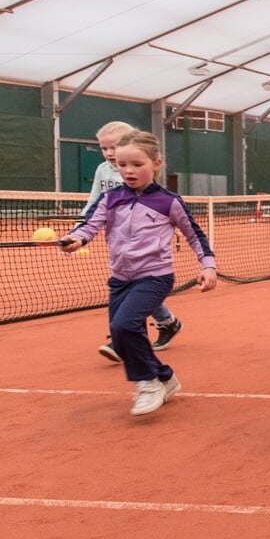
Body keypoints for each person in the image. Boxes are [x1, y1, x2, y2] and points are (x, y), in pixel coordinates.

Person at [60, 132, 216, 417]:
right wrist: (76, 239)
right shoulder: (110, 198)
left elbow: (195, 235)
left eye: (136, 164)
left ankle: (148, 383)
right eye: (122, 165)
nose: (129, 171)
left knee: (123, 326)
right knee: (122, 337)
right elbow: (89, 225)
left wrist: (207, 265)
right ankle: (165, 378)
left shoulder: (169, 202)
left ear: (156, 163)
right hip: (120, 278)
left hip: (155, 277)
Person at [83, 121, 183, 363]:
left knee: (141, 284)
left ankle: (122, 339)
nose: (108, 153)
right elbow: (95, 199)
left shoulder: (141, 168)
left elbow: (159, 203)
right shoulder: (102, 170)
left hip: (146, 239)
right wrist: (82, 226)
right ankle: (167, 322)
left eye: (113, 147)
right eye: (103, 148)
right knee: (133, 284)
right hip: (118, 237)